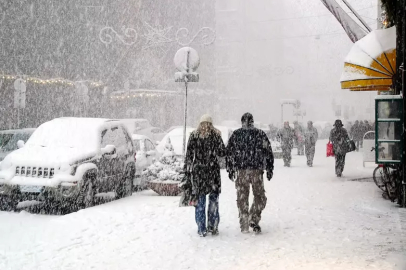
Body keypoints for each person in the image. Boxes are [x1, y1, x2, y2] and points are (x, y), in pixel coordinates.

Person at [226, 113, 274, 233]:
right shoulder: (259, 134)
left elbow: (229, 153)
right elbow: (268, 152)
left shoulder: (236, 135)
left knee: (243, 198)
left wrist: (231, 168)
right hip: (255, 171)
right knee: (260, 197)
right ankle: (253, 218)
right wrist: (269, 168)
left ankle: (245, 221)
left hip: (243, 171)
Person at [184, 114, 226, 237]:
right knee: (210, 202)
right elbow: (222, 152)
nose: (205, 126)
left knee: (202, 202)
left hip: (201, 173)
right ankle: (210, 226)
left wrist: (188, 169)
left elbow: (189, 156)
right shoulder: (214, 136)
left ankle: (202, 227)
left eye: (207, 124)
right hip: (210, 173)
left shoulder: (195, 136)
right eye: (204, 124)